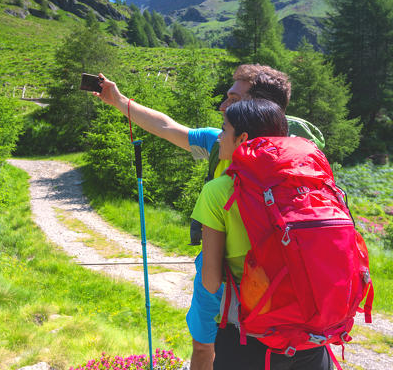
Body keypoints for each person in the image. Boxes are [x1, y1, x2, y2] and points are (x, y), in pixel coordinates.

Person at [95, 64, 324, 370]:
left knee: (209, 349)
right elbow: (168, 126)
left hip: (227, 286)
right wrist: (121, 102)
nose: (222, 105)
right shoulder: (301, 163)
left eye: (232, 97)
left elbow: (212, 280)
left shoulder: (223, 174)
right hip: (294, 290)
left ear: (258, 107)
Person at [193, 99, 332, 370]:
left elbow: (210, 282)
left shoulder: (220, 190)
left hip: (249, 337)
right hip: (311, 333)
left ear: (242, 138)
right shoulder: (309, 181)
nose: (220, 137)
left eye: (224, 130)